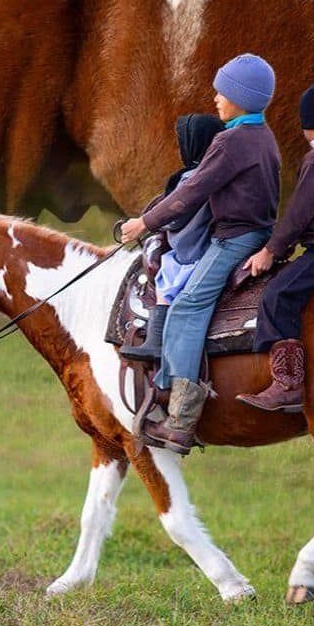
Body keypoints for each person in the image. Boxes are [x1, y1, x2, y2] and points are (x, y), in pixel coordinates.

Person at [118, 54, 281, 454]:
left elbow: (192, 193)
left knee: (189, 304)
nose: (216, 98)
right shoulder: (264, 136)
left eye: (223, 91)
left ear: (241, 98)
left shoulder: (230, 141)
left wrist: (145, 224)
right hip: (258, 231)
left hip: (234, 239)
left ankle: (181, 419)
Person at [236, 80, 314, 413]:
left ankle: (288, 384)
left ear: (310, 124)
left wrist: (270, 252)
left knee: (278, 295)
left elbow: (299, 214)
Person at [119, 113, 225, 362]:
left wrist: (155, 219)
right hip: (209, 243)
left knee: (164, 274)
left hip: (191, 248)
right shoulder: (215, 173)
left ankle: (155, 340)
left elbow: (176, 217)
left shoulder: (191, 178)